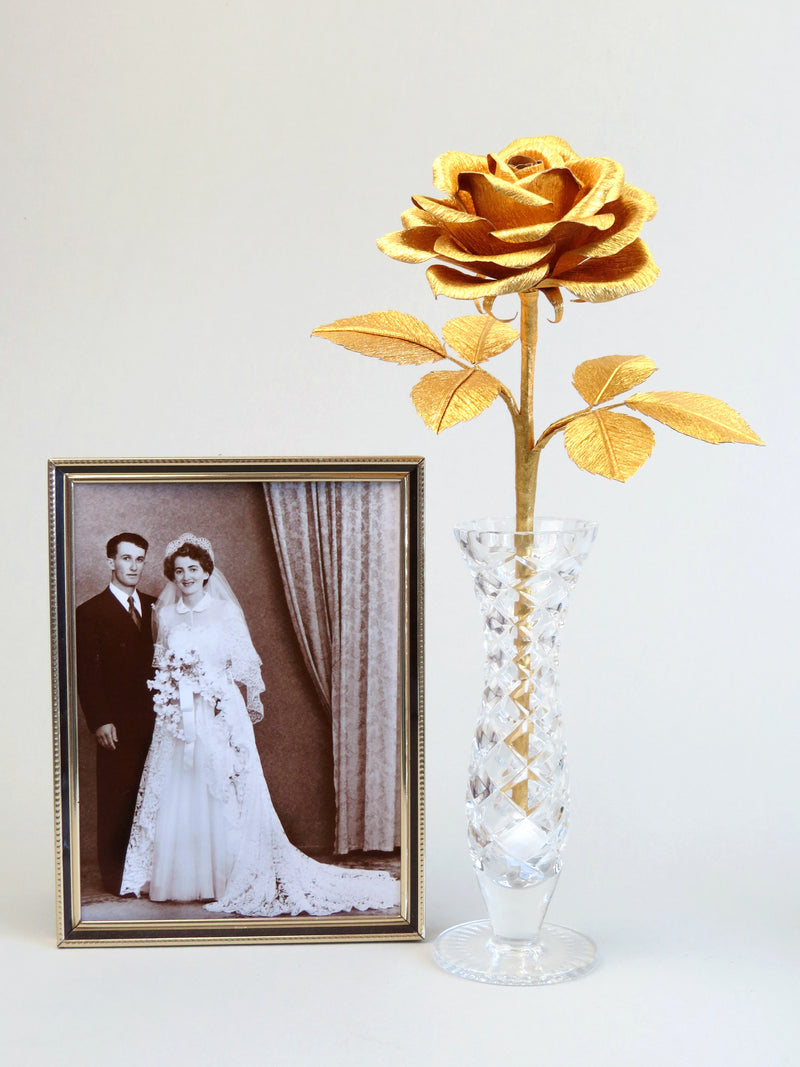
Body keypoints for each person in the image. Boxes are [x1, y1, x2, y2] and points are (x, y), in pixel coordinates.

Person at [121, 534, 399, 917]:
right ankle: (183, 876)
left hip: (218, 710)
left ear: (206, 574)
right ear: (172, 575)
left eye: (194, 570)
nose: (186, 577)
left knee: (223, 785)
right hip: (178, 718)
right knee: (178, 787)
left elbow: (244, 666)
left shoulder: (224, 612)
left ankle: (229, 873)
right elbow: (161, 666)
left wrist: (209, 683)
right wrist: (176, 686)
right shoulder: (164, 615)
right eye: (179, 570)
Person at [75, 533, 156, 895]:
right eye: (126, 559)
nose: (134, 566)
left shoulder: (157, 607)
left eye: (139, 559)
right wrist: (99, 719)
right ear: (111, 562)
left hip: (158, 720)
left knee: (153, 793)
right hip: (116, 723)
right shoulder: (90, 612)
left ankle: (151, 871)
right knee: (116, 795)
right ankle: (115, 877)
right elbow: (87, 674)